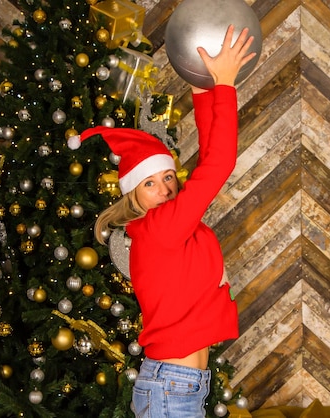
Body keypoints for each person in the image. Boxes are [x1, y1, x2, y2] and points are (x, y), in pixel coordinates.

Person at [76, 25, 256, 418]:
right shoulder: (160, 229)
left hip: (177, 386)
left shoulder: (171, 225)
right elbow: (220, 164)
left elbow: (210, 155)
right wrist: (225, 85)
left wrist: (204, 89)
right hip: (172, 388)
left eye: (168, 177)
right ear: (133, 194)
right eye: (149, 183)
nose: (163, 188)